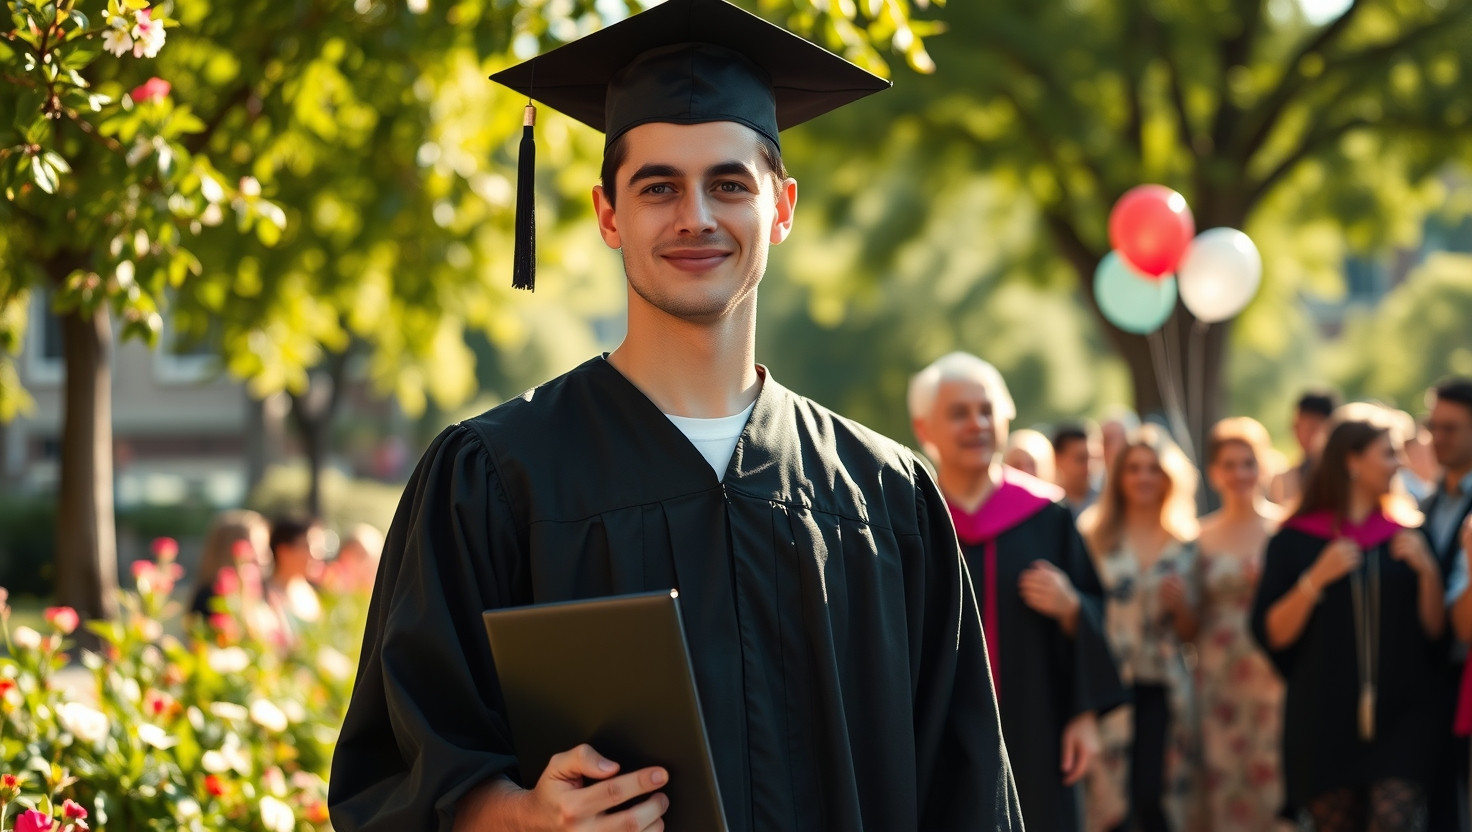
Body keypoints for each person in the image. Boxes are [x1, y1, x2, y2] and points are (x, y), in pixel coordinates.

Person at [328, 3, 1023, 829]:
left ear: (783, 207)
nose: (696, 215)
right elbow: (394, 775)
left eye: (729, 183)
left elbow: (967, 791)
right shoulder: (495, 477)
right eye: (659, 187)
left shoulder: (886, 499)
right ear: (608, 215)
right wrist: (519, 816)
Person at [910, 353, 1126, 832]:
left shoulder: (1046, 516)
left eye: (987, 411)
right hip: (934, 731)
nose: (977, 424)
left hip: (1037, 727)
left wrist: (1072, 611)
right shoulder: (911, 520)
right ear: (925, 428)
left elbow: (1095, 607)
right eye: (960, 413)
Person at [1251, 404, 1446, 831]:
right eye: (1388, 453)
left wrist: (1429, 572)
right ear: (1351, 461)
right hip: (1324, 719)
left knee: (1393, 821)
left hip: (1403, 716)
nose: (1399, 463)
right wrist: (1313, 580)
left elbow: (1435, 632)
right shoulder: (1295, 539)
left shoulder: (1410, 531)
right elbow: (1272, 633)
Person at [1081, 425, 1202, 832]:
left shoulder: (1187, 542)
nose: (1144, 477)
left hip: (1164, 685)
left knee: (1156, 797)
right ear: (1119, 476)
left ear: (1168, 476)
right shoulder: (1092, 537)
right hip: (1106, 683)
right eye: (1133, 468)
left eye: (1153, 468)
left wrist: (1180, 604)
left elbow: (1193, 632)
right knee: (1109, 800)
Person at [1193, 418, 1284, 831]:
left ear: (1262, 466)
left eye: (1248, 463)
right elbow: (1189, 619)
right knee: (1223, 782)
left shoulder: (1285, 530)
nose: (1239, 473)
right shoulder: (1197, 536)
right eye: (1229, 464)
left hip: (1274, 675)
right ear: (1214, 472)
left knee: (1275, 779)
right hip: (1216, 678)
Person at [1423, 379, 1472, 832]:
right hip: (1431, 685)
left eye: (1451, 428)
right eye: (1432, 426)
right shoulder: (1425, 506)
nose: (1437, 437)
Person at [189, 508, 271, 618]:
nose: (261, 557)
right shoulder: (210, 599)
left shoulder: (262, 590)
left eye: (264, 546)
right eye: (256, 546)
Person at [1269, 390, 1338, 507]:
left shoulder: (1345, 476)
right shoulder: (1284, 479)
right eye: (1298, 427)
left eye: (1312, 428)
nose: (1303, 434)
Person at [267, 515, 325, 637]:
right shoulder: (263, 594)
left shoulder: (308, 591)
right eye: (308, 546)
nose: (316, 555)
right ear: (283, 551)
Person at [1054, 422, 1102, 519]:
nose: (1088, 466)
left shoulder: (1107, 503)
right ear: (1058, 459)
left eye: (1091, 458)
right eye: (1080, 459)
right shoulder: (1049, 507)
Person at [322, 522, 384, 595]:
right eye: (361, 556)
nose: (368, 565)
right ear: (346, 554)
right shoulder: (326, 584)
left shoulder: (376, 592)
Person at [1100, 407, 1141, 480]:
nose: (1107, 447)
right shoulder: (1096, 482)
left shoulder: (1140, 478)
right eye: (1104, 440)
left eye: (1111, 440)